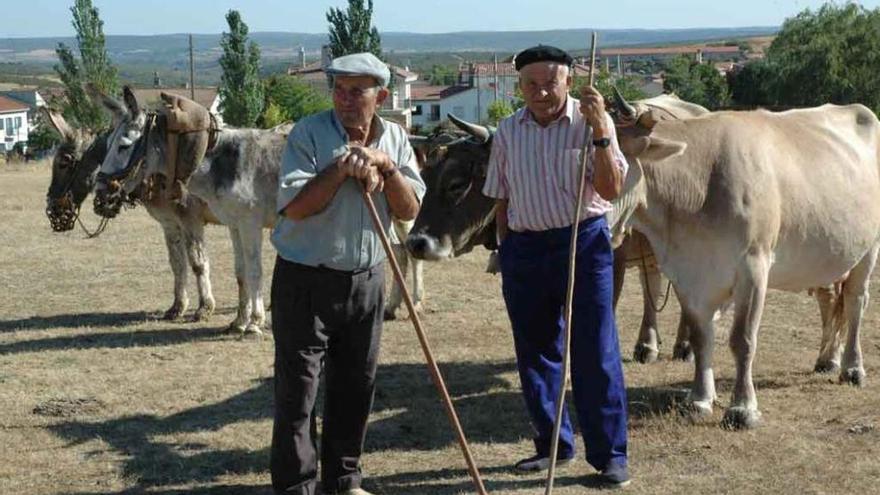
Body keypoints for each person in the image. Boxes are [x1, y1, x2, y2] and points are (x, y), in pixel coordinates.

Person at [270, 52, 426, 495]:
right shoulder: (308, 133)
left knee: (356, 385)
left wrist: (386, 167)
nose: (345, 99)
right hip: (306, 277)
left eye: (357, 91)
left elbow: (409, 208)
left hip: (367, 277)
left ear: (380, 95)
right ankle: (295, 485)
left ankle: (343, 480)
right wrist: (340, 168)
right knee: (298, 391)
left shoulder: (395, 136)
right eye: (339, 89)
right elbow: (296, 206)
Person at [483, 45, 631, 488]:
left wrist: (603, 132)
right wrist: (504, 250)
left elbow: (612, 186)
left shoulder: (591, 125)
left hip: (582, 243)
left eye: (550, 82)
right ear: (519, 87)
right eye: (531, 84)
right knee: (535, 353)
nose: (541, 92)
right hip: (525, 250)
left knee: (594, 350)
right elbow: (501, 198)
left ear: (568, 81)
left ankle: (609, 457)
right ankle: (552, 445)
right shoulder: (508, 131)